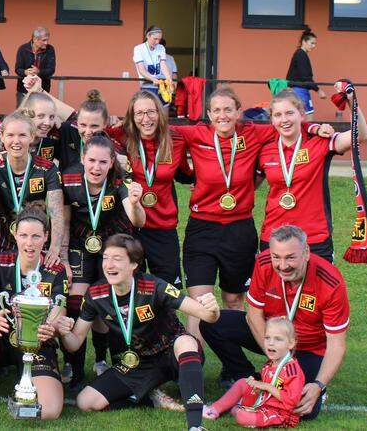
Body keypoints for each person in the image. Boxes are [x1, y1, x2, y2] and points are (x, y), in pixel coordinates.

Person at [170, 88, 327, 332]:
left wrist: (314, 128)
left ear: (238, 112)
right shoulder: (195, 134)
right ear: (209, 114)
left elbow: (286, 124)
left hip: (239, 229)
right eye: (217, 110)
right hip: (202, 229)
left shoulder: (254, 133)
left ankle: (234, 366)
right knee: (199, 304)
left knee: (234, 301)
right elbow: (154, 127)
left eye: (228, 110)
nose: (223, 116)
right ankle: (193, 366)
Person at [67, 234, 221, 430]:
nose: (109, 265)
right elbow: (75, 341)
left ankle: (195, 424)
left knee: (186, 342)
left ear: (134, 264)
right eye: (106, 258)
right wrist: (62, 330)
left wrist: (213, 309)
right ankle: (151, 399)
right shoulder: (96, 294)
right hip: (138, 361)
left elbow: (207, 316)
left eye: (117, 259)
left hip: (171, 353)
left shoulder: (154, 286)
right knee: (86, 402)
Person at [201, 225, 349, 421]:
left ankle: (279, 385)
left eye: (290, 257)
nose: (282, 265)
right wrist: (274, 354)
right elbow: (253, 315)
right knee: (212, 323)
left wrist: (319, 385)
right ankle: (248, 378)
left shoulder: (330, 282)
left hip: (308, 347)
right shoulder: (263, 264)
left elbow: (336, 344)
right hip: (271, 335)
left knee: (304, 409)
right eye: (276, 257)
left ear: (306, 253)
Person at [0, 208, 71, 416]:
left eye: (36, 236)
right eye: (24, 235)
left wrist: (50, 328)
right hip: (2, 338)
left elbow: (58, 314)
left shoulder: (56, 269)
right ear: (15, 234)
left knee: (50, 411)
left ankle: (23, 395)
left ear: (46, 237)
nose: (29, 243)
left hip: (38, 344)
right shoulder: (0, 261)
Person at [58, 135, 144, 387]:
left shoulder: (121, 180)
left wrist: (137, 204)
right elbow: (63, 219)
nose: (96, 168)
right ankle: (73, 368)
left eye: (102, 162)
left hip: (113, 246)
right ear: (83, 158)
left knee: (110, 301)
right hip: (79, 245)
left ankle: (106, 361)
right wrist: (63, 256)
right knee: (76, 298)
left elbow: (137, 221)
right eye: (92, 160)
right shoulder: (69, 177)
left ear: (111, 162)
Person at [260, 86, 367, 260]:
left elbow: (359, 135)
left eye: (289, 113)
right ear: (271, 120)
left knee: (315, 288)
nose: (284, 120)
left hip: (314, 237)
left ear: (301, 114)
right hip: (273, 236)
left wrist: (352, 103)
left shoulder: (320, 142)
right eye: (278, 115)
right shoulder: (265, 150)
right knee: (274, 288)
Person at [0, 112, 65, 267]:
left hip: (32, 241)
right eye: (10, 135)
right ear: (2, 136)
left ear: (32, 137)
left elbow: (56, 212)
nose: (16, 141)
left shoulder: (47, 168)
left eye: (22, 135)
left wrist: (54, 247)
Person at [117, 90, 187, 286]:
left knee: (167, 293)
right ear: (131, 117)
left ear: (160, 114)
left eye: (151, 112)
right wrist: (39, 92)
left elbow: (186, 173)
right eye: (139, 113)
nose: (145, 119)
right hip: (131, 228)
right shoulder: (121, 136)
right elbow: (84, 122)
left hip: (163, 228)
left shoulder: (176, 140)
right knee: (131, 290)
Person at [204, 318, 305, 428]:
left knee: (241, 416)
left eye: (278, 339)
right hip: (265, 403)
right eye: (267, 338)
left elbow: (291, 401)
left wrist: (266, 386)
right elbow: (267, 388)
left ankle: (241, 411)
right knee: (243, 383)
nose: (271, 343)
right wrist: (257, 386)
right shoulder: (269, 364)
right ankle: (214, 409)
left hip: (281, 413)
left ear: (291, 344)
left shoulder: (292, 370)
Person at [285, 29, 325, 113]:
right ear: (304, 42)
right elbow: (305, 76)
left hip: (297, 89)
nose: (314, 46)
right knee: (307, 116)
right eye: (312, 43)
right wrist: (318, 90)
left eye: (315, 44)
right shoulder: (301, 55)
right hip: (299, 89)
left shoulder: (300, 54)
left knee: (302, 116)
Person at [14, 26, 56, 101]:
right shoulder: (22, 49)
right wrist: (25, 72)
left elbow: (51, 70)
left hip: (43, 90)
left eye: (47, 40)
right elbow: (17, 69)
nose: (46, 43)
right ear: (35, 39)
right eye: (44, 40)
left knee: (41, 112)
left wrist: (39, 72)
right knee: (23, 112)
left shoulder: (50, 49)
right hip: (23, 90)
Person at [134, 26, 173, 99]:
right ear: (148, 36)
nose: (157, 42)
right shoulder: (138, 49)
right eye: (155, 39)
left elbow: (163, 64)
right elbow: (141, 70)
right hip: (147, 85)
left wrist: (169, 78)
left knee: (163, 108)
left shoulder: (161, 47)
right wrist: (153, 79)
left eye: (159, 39)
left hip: (161, 84)